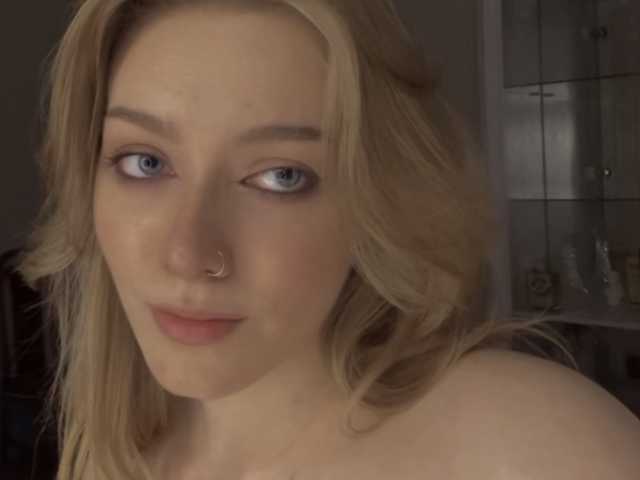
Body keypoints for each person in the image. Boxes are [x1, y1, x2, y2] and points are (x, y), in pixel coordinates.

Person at [13, 0, 640, 479]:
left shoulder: (526, 447)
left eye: (280, 176)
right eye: (145, 162)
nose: (188, 254)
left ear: (377, 198)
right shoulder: (109, 456)